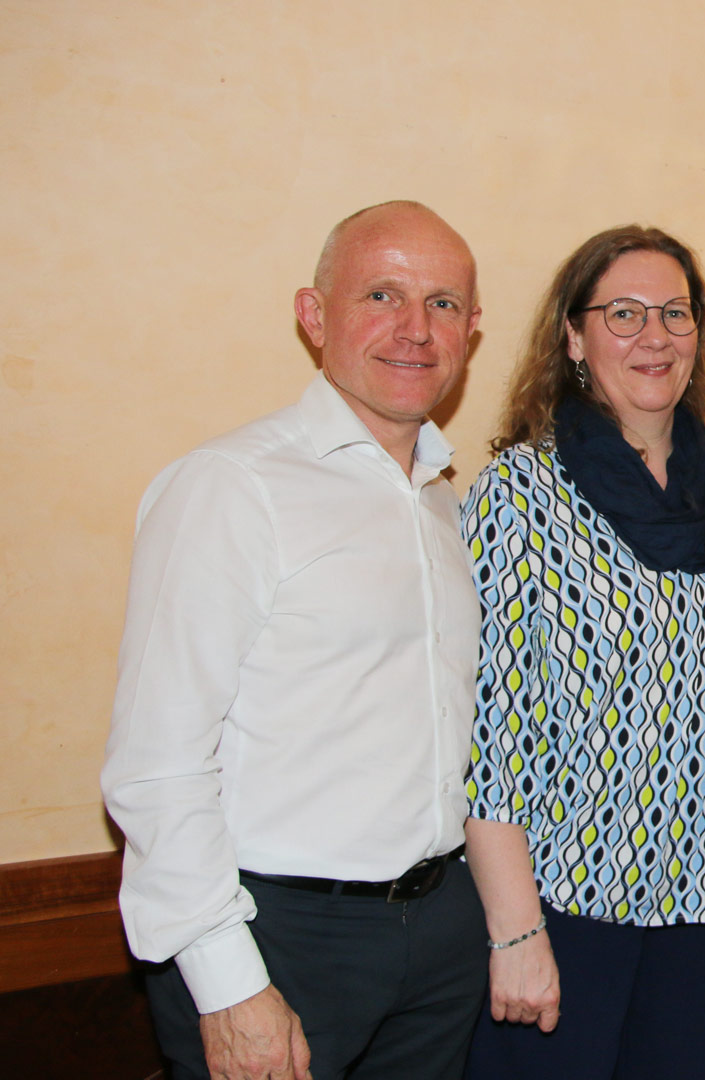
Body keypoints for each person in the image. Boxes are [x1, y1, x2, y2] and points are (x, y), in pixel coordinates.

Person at [102, 201, 488, 1080]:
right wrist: (227, 983)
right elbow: (156, 764)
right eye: (381, 295)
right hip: (277, 936)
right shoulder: (231, 487)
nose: (415, 328)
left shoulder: (442, 501)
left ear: (471, 329)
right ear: (313, 316)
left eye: (442, 303)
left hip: (439, 931)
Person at [460, 224, 705, 1080]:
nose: (654, 336)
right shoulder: (519, 496)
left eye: (674, 313)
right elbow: (492, 735)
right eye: (623, 313)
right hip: (567, 909)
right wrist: (514, 931)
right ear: (574, 337)